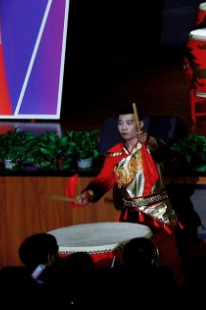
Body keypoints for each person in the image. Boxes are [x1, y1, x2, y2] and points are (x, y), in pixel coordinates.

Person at [70, 112, 182, 269]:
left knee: (168, 257)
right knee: (126, 258)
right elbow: (103, 179)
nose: (123, 127)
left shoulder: (152, 146)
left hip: (157, 213)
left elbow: (167, 155)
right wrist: (88, 194)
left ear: (140, 124)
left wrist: (149, 140)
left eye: (129, 123)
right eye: (120, 123)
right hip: (130, 214)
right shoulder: (115, 153)